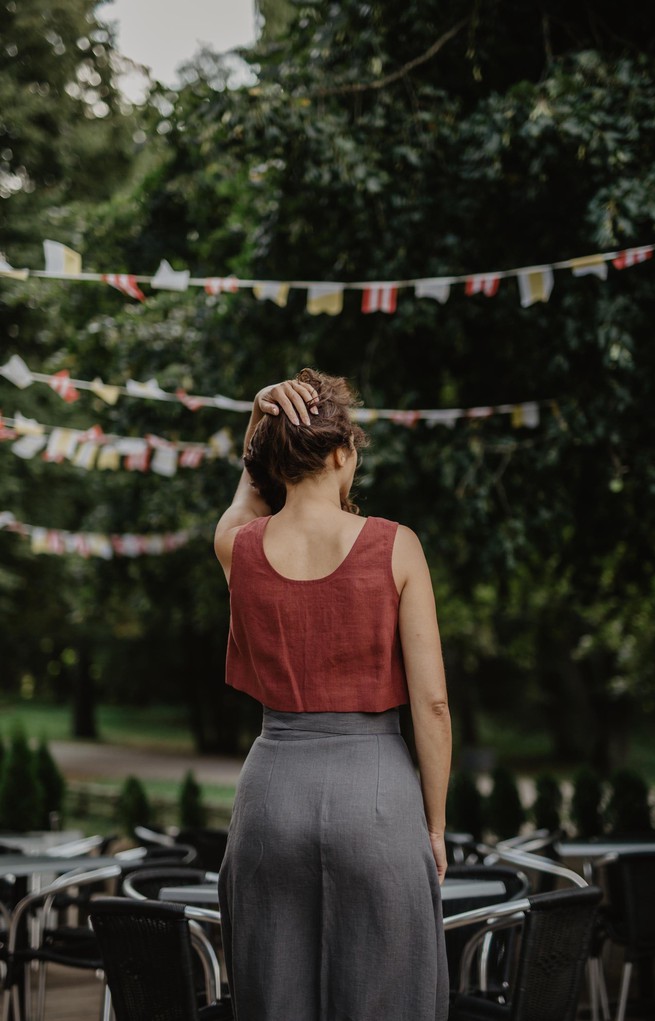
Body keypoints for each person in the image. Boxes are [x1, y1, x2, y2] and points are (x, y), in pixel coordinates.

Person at [214, 369, 451, 1021]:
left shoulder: (239, 546)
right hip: (375, 796)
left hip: (270, 796)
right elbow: (432, 704)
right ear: (344, 453)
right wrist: (433, 826)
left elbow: (245, 499)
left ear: (271, 459)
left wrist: (258, 420)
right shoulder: (396, 546)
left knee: (273, 996)